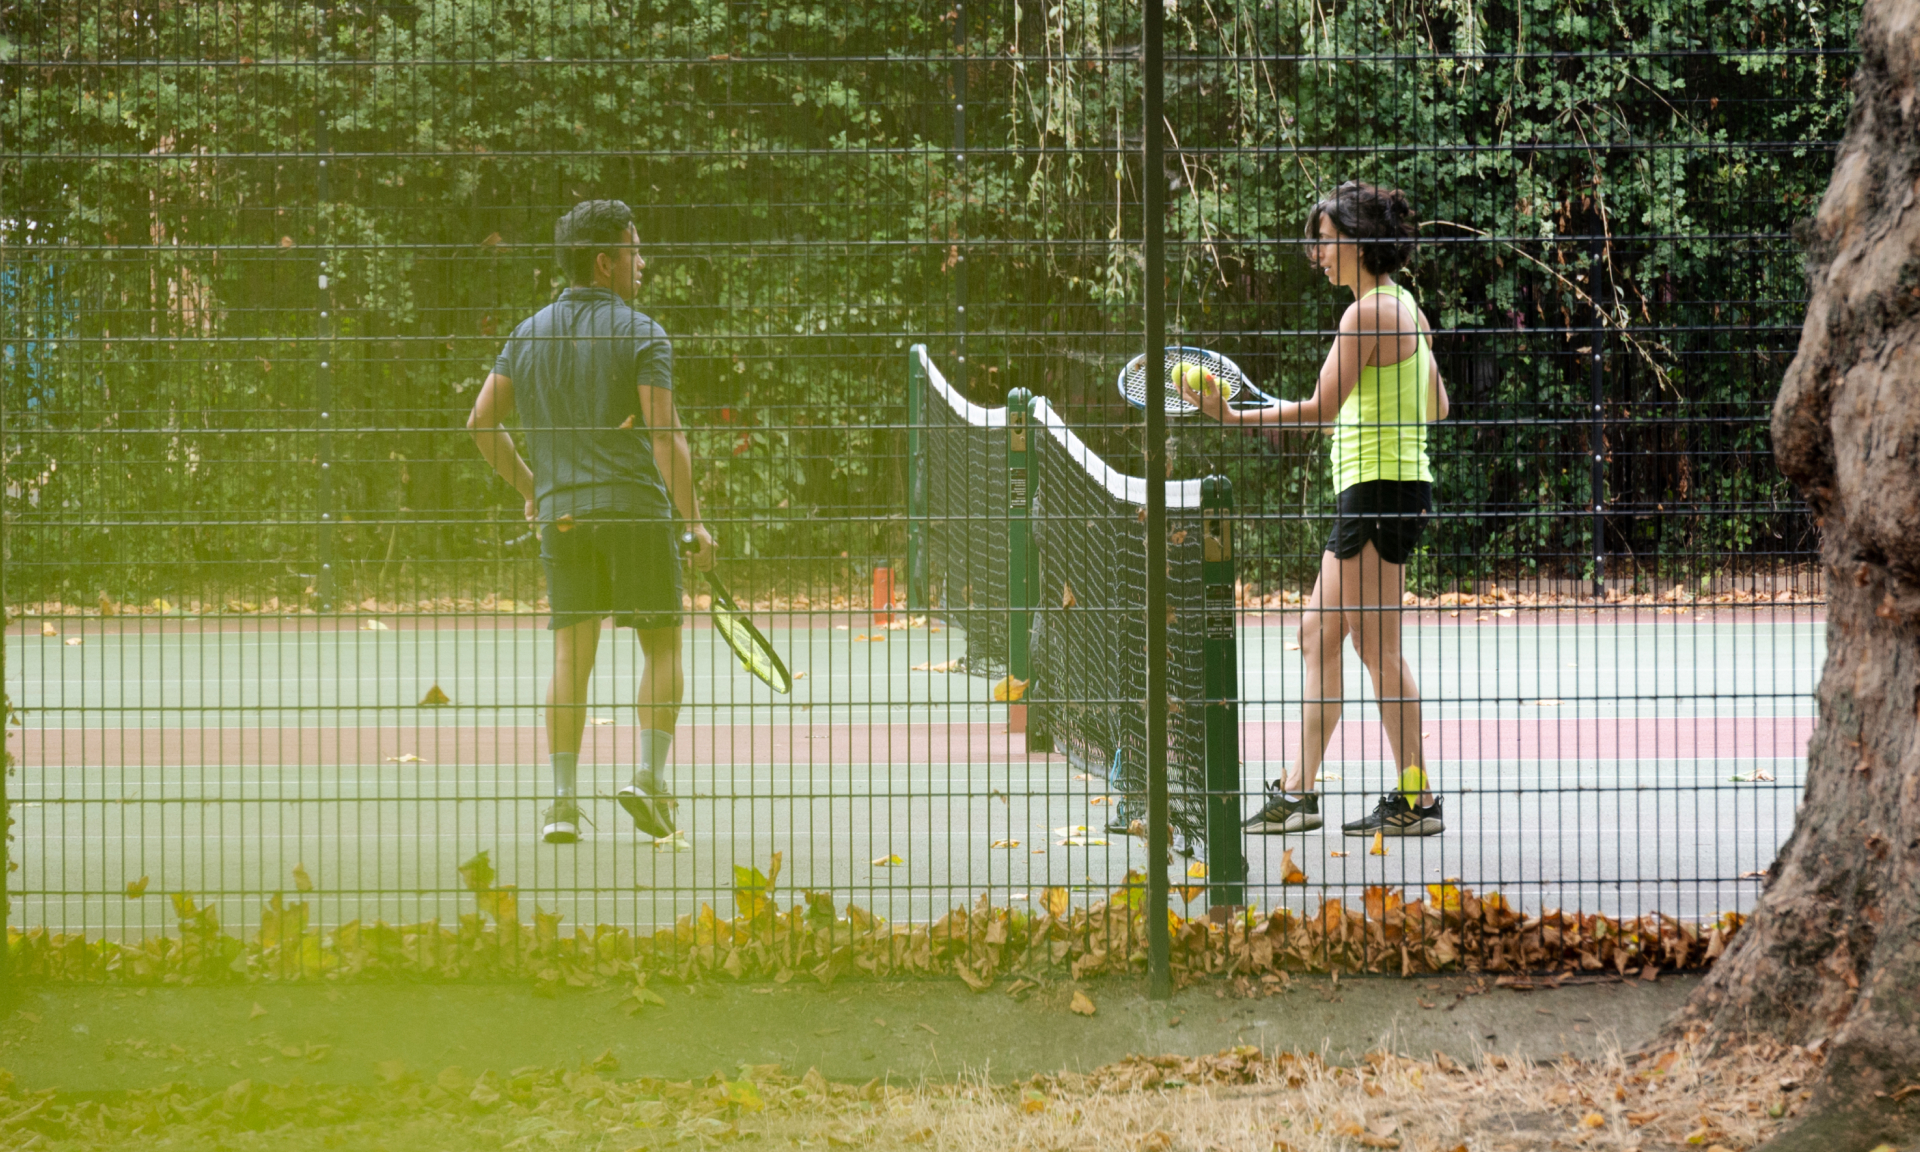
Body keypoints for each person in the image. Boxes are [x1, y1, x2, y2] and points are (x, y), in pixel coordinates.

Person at [1181, 180, 1451, 837]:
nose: (1317, 254)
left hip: (1380, 492)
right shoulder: (1404, 308)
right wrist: (1373, 415)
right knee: (1318, 634)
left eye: (1326, 242)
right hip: (1381, 488)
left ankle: (1416, 799)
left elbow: (1318, 411)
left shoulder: (1366, 316)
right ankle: (1299, 793)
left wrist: (1229, 413)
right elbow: (1437, 403)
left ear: (1358, 242)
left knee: (1378, 650)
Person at [468, 199, 717, 844]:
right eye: (635, 250)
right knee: (662, 645)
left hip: (565, 516)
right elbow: (665, 434)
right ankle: (648, 779)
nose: (643, 262)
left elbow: (480, 424)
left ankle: (561, 804)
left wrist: (534, 489)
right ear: (605, 262)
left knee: (570, 657)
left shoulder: (526, 333)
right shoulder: (643, 332)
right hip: (636, 511)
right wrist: (693, 525)